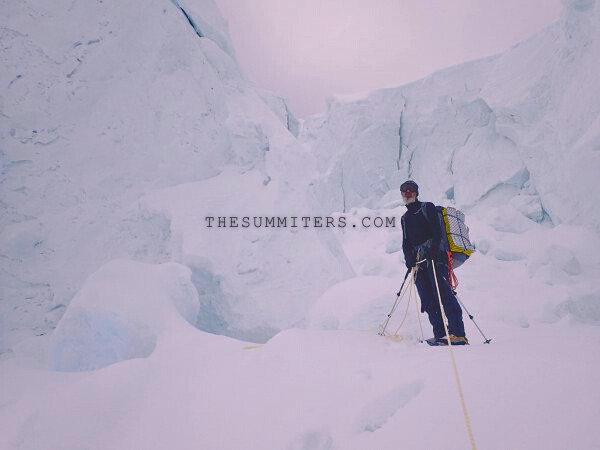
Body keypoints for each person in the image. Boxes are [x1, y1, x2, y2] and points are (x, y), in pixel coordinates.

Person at [399, 180, 468, 345]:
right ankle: (441, 335)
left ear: (416, 192)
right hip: (418, 261)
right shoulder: (405, 218)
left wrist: (433, 250)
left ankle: (458, 334)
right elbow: (405, 241)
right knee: (427, 298)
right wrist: (408, 258)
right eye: (404, 191)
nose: (408, 193)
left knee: (444, 293)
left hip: (435, 258)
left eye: (411, 190)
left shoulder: (427, 207)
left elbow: (437, 232)